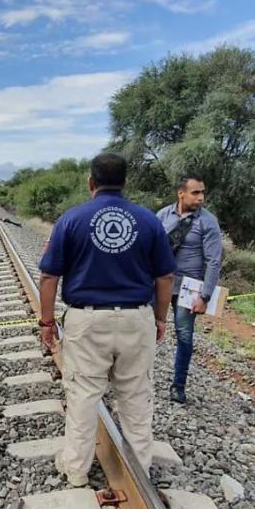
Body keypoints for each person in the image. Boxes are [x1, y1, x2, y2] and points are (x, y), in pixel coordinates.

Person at [38, 152, 176, 486]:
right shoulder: (148, 220)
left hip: (87, 321)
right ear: (125, 182)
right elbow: (165, 278)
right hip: (136, 318)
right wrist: (160, 319)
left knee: (84, 394)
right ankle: (139, 470)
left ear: (91, 183)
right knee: (136, 395)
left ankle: (76, 469)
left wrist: (46, 323)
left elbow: (48, 277)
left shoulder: (71, 219)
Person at [155, 176, 223, 404]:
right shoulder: (163, 216)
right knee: (145, 330)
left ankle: (178, 386)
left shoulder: (208, 221)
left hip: (188, 288)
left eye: (202, 192)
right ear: (180, 193)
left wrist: (205, 295)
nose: (201, 197)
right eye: (195, 193)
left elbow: (214, 261)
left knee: (184, 336)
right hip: (160, 283)